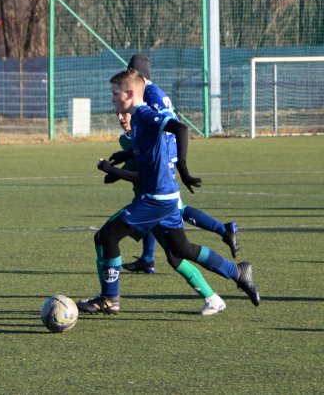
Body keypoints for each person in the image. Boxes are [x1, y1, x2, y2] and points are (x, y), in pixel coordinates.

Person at [77, 68, 260, 315]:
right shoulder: (138, 121)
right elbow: (150, 151)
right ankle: (236, 271)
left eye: (114, 93)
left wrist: (183, 168)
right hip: (165, 199)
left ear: (129, 93)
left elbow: (181, 129)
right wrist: (126, 155)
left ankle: (110, 299)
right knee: (181, 251)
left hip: (157, 199)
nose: (112, 98)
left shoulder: (143, 115)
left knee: (106, 237)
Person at [94, 106, 226, 315]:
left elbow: (145, 177)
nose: (120, 118)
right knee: (173, 254)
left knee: (107, 237)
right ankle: (213, 296)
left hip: (154, 204)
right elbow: (133, 167)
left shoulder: (149, 133)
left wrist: (114, 171)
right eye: (117, 114)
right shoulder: (127, 138)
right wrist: (116, 170)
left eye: (124, 114)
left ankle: (108, 298)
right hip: (145, 204)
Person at [122, 53, 238, 274]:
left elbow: (173, 127)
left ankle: (224, 232)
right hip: (161, 155)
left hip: (164, 156)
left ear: (140, 76)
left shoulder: (151, 94)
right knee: (150, 203)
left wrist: (176, 163)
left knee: (167, 208)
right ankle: (147, 259)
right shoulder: (150, 92)